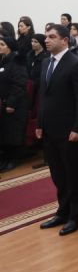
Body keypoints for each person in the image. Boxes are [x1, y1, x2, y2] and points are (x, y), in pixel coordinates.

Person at [37, 24, 78, 235]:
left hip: (69, 130)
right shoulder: (46, 62)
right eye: (46, 37)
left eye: (52, 37)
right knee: (57, 173)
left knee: (72, 174)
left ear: (65, 40)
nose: (46, 40)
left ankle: (76, 215)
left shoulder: (76, 64)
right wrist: (40, 123)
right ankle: (63, 210)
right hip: (49, 128)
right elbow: (44, 96)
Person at [0, 36, 29, 172]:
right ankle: (6, 158)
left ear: (10, 47)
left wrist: (11, 103)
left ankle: (13, 159)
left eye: (2, 44)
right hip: (4, 102)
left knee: (13, 132)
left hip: (16, 104)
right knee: (5, 131)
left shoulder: (17, 61)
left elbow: (19, 85)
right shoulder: (3, 61)